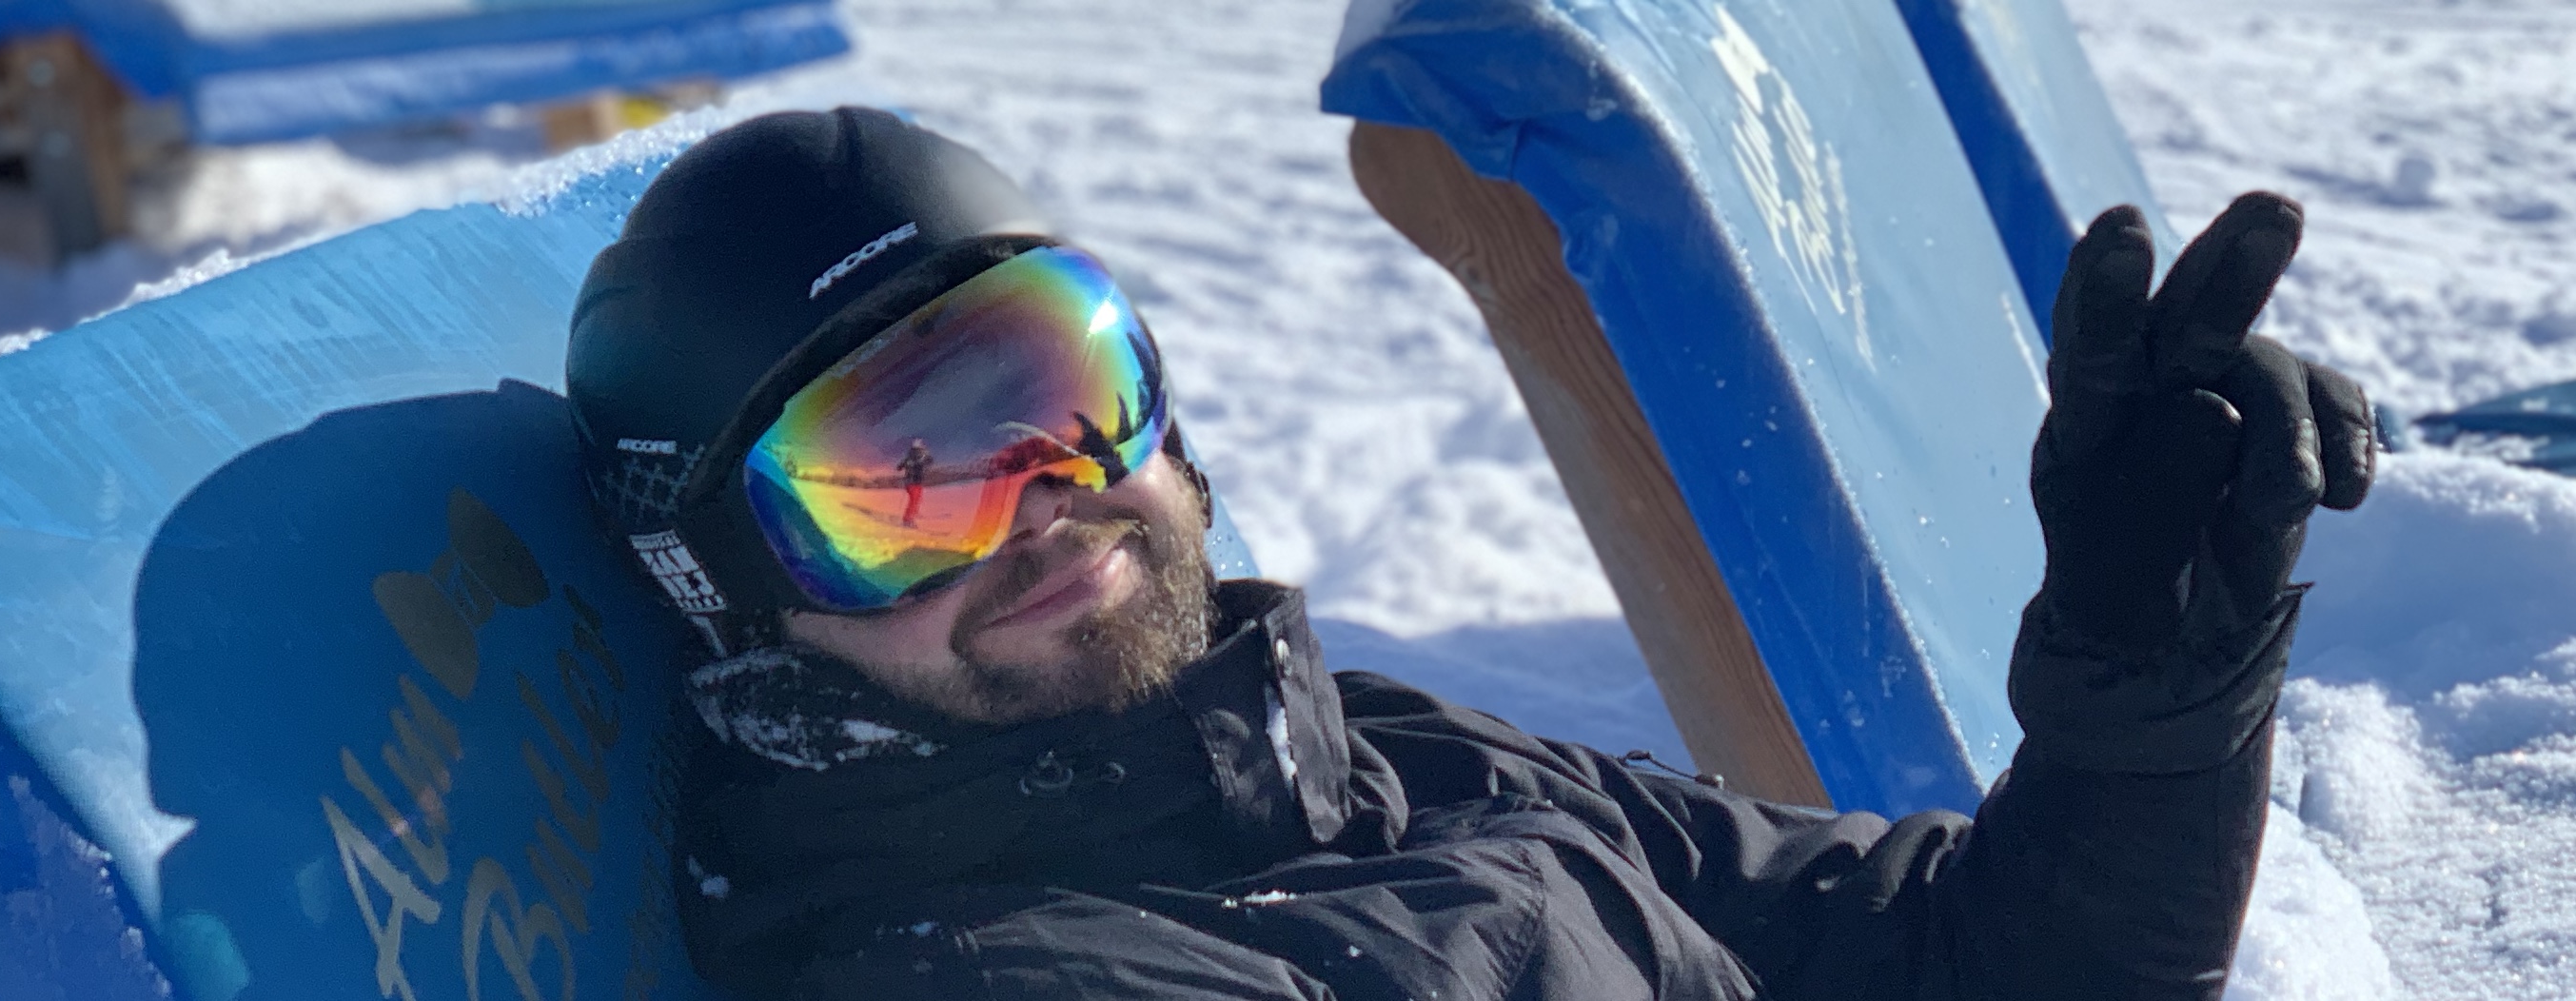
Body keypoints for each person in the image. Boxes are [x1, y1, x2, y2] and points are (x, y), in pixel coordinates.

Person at [565, 108, 2374, 1001]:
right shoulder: (985, 975)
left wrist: (2150, 702)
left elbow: (1975, 965)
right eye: (900, 486)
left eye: (1059, 394)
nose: (1043, 502)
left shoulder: (1363, 755)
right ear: (737, 596)